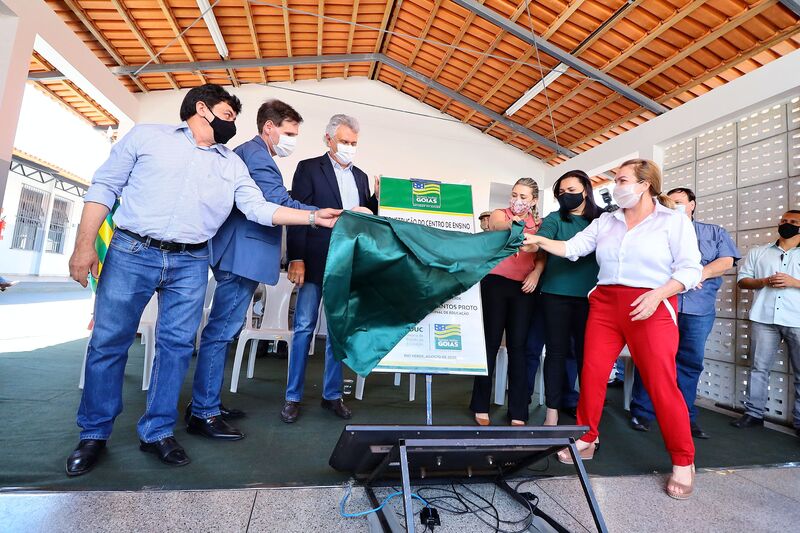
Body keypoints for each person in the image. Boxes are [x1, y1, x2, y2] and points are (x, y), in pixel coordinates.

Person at [65, 84, 341, 477]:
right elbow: (105, 187)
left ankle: (158, 431)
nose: (232, 125)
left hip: (191, 259)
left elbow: (258, 207)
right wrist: (84, 245)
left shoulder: (230, 163)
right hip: (132, 250)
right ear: (202, 108)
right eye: (228, 116)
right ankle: (94, 433)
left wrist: (314, 217)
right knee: (109, 342)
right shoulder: (148, 137)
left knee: (176, 346)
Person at [523, 159, 702, 499]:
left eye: (622, 180)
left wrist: (660, 294)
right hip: (605, 304)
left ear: (644, 184)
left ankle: (683, 458)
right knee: (592, 374)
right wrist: (539, 240)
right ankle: (588, 436)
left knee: (661, 381)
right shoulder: (606, 220)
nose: (615, 187)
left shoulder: (672, 221)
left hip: (651, 302)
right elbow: (573, 248)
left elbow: (691, 269)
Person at [186, 99, 319, 441]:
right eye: (289, 133)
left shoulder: (252, 153)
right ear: (269, 127)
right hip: (241, 255)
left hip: (240, 254)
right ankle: (204, 412)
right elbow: (278, 202)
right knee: (221, 333)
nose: (292, 140)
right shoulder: (257, 156)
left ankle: (207, 402)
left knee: (223, 331)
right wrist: (321, 214)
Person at [282, 114, 377, 424]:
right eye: (344, 142)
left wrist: (377, 200)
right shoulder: (309, 168)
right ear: (329, 139)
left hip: (346, 263)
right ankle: (293, 397)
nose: (349, 147)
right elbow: (297, 214)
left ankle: (332, 395)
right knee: (303, 327)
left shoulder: (361, 177)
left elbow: (365, 218)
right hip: (314, 260)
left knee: (338, 332)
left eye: (354, 143)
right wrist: (296, 257)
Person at [630, 187, 740, 439]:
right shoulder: (655, 230)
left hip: (698, 309)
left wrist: (698, 274)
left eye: (679, 202)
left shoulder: (714, 232)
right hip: (660, 304)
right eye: (669, 202)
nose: (674, 206)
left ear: (692, 205)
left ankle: (685, 416)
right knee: (651, 358)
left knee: (690, 363)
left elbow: (726, 261)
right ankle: (642, 412)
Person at [532, 170, 603, 427]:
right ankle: (552, 411)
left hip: (592, 298)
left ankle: (588, 414)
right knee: (556, 352)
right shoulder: (555, 218)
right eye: (561, 192)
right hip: (555, 294)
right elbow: (542, 240)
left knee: (588, 357)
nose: (566, 196)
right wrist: (532, 243)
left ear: (586, 190)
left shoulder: (603, 219)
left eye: (571, 191)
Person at [470, 178, 540, 427]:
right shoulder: (501, 214)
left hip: (524, 288)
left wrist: (536, 273)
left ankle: (518, 410)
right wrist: (517, 223)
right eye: (514, 195)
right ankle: (480, 405)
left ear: (533, 201)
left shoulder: (540, 225)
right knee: (489, 344)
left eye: (523, 197)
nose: (517, 200)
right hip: (495, 284)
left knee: (518, 347)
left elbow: (542, 254)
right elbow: (499, 225)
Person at [731, 210, 800, 435]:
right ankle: (754, 414)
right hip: (764, 318)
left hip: (797, 319)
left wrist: (794, 282)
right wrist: (764, 281)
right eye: (784, 221)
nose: (787, 224)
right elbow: (743, 281)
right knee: (759, 368)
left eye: (793, 222)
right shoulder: (759, 252)